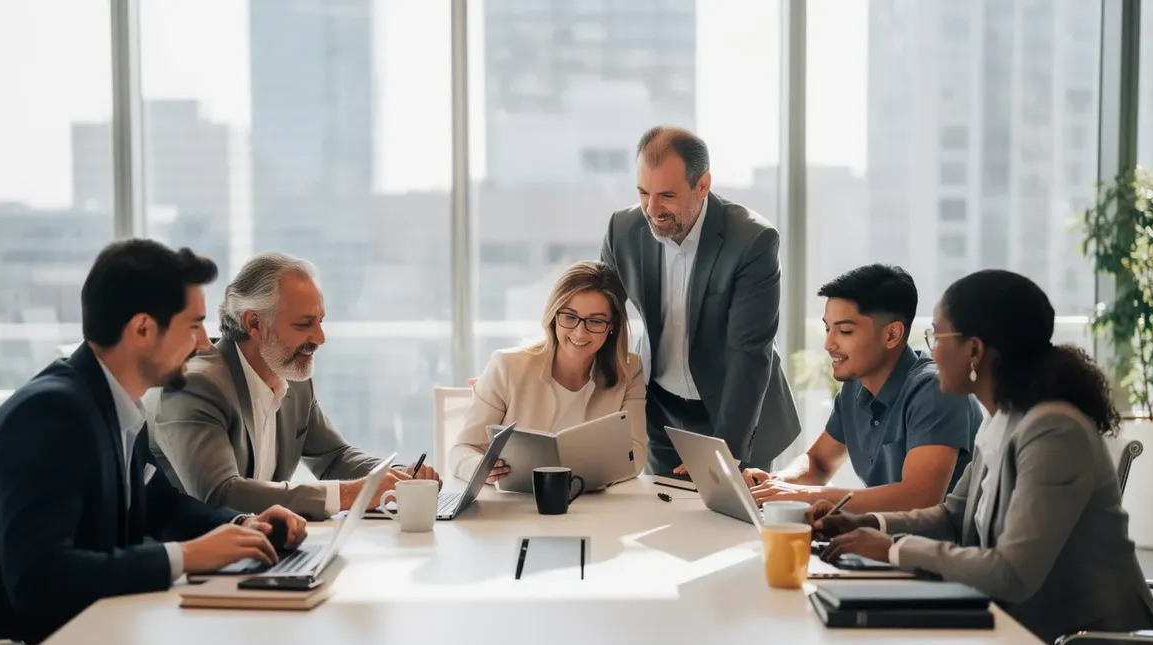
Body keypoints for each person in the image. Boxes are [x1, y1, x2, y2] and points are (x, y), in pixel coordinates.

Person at [0, 240, 306, 645]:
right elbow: (40, 578)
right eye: (194, 325)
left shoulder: (117, 404)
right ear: (143, 329)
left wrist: (242, 524)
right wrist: (187, 556)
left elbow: (162, 505)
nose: (204, 343)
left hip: (92, 636)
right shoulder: (50, 415)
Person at [814, 270, 1153, 645]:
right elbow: (951, 518)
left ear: (974, 350)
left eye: (936, 339)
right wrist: (870, 523)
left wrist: (893, 549)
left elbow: (1012, 572)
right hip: (1018, 632)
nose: (931, 354)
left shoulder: (1053, 431)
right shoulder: (1003, 419)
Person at [150, 253, 438, 520]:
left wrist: (395, 478)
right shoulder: (196, 384)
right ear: (254, 324)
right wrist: (354, 493)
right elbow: (220, 494)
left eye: (321, 322)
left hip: (260, 548)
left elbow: (333, 457)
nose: (320, 338)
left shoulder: (292, 377)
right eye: (304, 324)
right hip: (189, 563)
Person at [601, 126, 800, 476]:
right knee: (665, 523)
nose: (652, 208)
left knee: (732, 527)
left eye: (666, 195)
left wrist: (724, 456)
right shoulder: (624, 230)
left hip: (738, 413)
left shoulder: (752, 240)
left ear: (702, 186)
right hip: (661, 412)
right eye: (643, 192)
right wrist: (534, 370)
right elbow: (593, 312)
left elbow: (749, 354)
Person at [743, 265, 982, 513]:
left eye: (845, 331)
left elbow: (919, 498)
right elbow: (819, 462)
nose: (828, 344)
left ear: (892, 335)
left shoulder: (935, 391)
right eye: (828, 328)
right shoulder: (854, 387)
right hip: (882, 540)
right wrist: (777, 483)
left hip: (935, 548)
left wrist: (802, 494)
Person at [451, 261, 645, 484]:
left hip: (593, 502)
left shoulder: (629, 369)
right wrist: (479, 467)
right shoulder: (506, 365)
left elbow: (635, 456)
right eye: (570, 317)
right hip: (517, 506)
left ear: (612, 325)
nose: (580, 332)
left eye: (595, 321)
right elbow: (462, 450)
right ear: (554, 315)